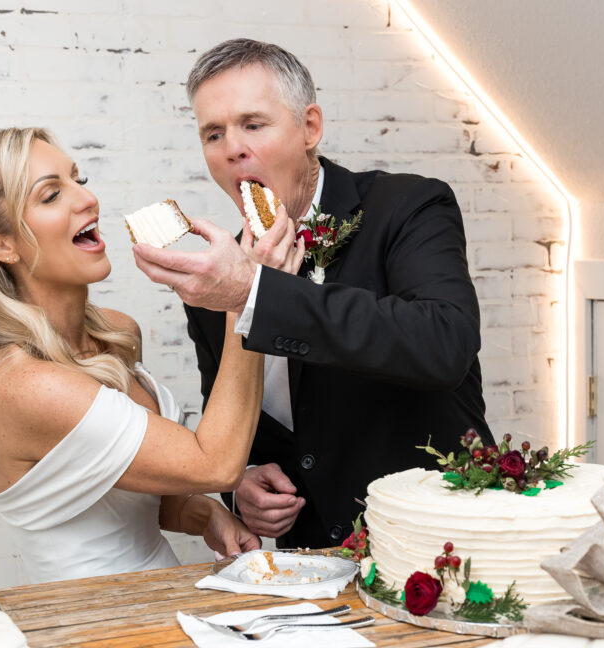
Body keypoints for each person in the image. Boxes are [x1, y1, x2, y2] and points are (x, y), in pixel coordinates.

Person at [132, 39, 497, 550]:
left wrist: (257, 291)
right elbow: (233, 419)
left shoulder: (409, 205)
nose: (232, 147)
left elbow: (444, 344)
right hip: (308, 566)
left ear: (310, 128)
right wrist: (243, 481)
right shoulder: (215, 274)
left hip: (440, 541)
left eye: (253, 124)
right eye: (213, 133)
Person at [0, 127, 283, 583]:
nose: (87, 199)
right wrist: (243, 298)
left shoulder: (119, 333)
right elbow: (214, 463)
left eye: (79, 179)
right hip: (92, 625)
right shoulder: (24, 385)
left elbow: (129, 486)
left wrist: (204, 516)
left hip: (165, 598)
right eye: (51, 194)